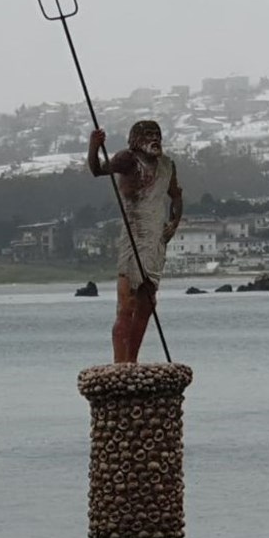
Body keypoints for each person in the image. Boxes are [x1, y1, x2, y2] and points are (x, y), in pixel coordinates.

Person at [88, 120, 183, 363]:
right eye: (148, 135)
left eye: (157, 134)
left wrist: (174, 223)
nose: (155, 139)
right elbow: (98, 170)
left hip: (155, 240)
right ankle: (120, 363)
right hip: (134, 235)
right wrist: (94, 146)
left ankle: (132, 359)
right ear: (136, 139)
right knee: (127, 303)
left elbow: (176, 196)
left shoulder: (166, 165)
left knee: (147, 303)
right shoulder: (128, 159)